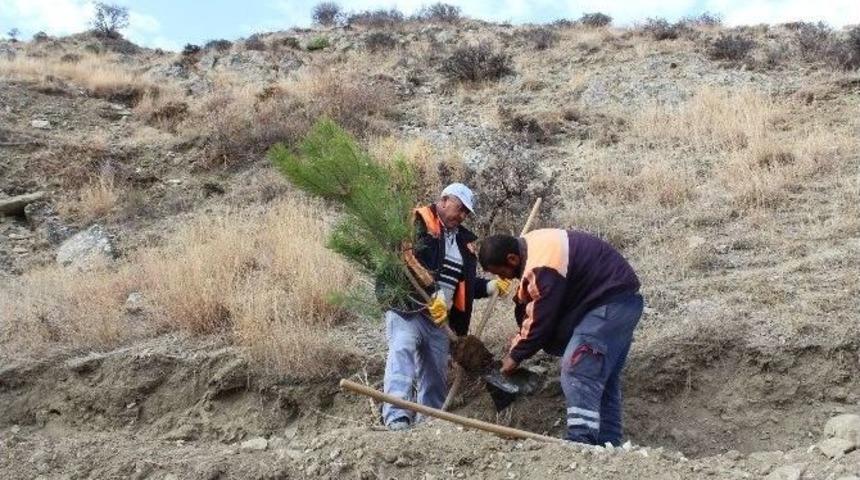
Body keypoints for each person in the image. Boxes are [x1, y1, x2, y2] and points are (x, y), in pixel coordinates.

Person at [477, 229, 642, 446]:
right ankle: (608, 444)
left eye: (500, 272)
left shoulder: (542, 265)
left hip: (607, 305)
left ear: (512, 259)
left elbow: (541, 319)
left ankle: (581, 443)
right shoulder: (535, 244)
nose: (503, 278)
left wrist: (515, 356)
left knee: (578, 369)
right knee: (602, 379)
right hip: (623, 304)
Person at [382, 183, 511, 430]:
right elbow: (408, 259)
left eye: (466, 213)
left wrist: (490, 287)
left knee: (435, 373)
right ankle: (397, 417)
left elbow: (464, 286)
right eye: (460, 208)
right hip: (409, 309)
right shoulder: (419, 221)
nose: (462, 216)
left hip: (441, 320)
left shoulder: (464, 244)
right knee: (402, 352)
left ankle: (429, 422)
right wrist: (434, 293)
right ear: (443, 200)